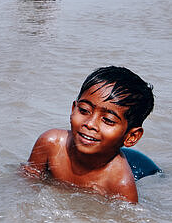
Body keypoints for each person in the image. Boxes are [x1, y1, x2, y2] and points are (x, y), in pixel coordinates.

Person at [24, 66, 154, 204]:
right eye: (84, 110)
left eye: (108, 120)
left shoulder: (120, 183)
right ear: (73, 109)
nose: (90, 124)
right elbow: (26, 182)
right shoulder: (51, 144)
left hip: (143, 168)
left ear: (131, 136)